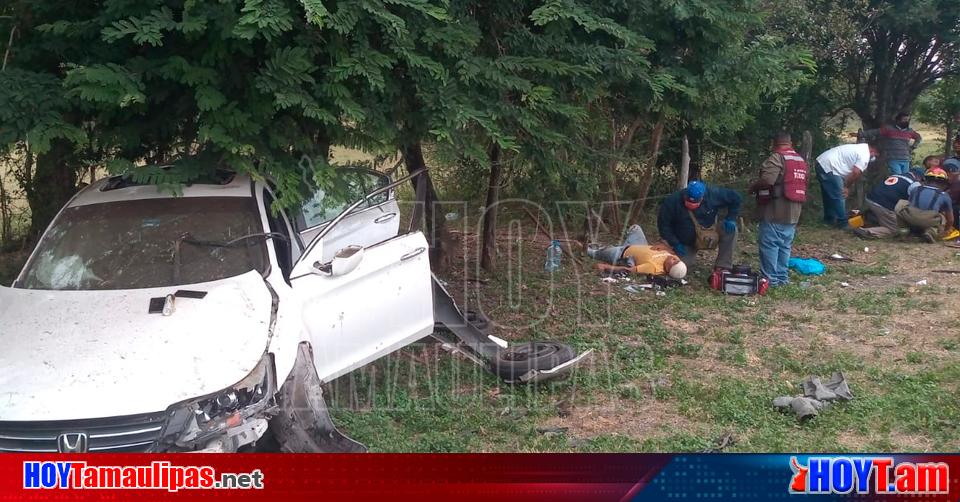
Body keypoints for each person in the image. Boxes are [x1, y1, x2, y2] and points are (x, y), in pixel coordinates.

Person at [747, 132, 806, 287]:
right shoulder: (799, 160)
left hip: (776, 210)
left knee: (770, 244)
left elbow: (767, 180)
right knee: (784, 245)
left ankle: (770, 280)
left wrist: (753, 187)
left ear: (774, 144)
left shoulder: (777, 158)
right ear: (790, 143)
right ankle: (781, 278)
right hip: (794, 212)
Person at [657, 180, 741, 271]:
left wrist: (731, 218)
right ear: (685, 195)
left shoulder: (713, 194)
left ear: (702, 197)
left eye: (694, 203)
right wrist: (675, 243)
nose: (691, 204)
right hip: (686, 241)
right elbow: (664, 225)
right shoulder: (672, 201)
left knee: (731, 230)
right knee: (678, 266)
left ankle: (723, 266)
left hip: (710, 231)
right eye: (688, 201)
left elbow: (736, 198)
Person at [814, 143, 879, 228]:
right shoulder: (865, 155)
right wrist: (846, 187)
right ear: (873, 151)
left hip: (822, 161)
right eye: (875, 155)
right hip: (830, 165)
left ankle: (829, 219)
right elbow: (856, 172)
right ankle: (843, 223)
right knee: (840, 194)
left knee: (829, 194)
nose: (874, 157)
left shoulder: (861, 148)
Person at [587, 224, 687, 278]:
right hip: (640, 245)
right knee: (636, 228)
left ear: (669, 268)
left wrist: (606, 267)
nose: (674, 258)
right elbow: (672, 252)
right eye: (677, 259)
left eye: (674, 261)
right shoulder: (674, 258)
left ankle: (585, 248)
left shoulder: (654, 268)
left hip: (621, 252)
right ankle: (613, 245)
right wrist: (666, 247)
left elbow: (630, 270)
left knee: (594, 253)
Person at [853, 169, 922, 239]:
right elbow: (915, 202)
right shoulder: (914, 184)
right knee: (895, 229)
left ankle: (867, 222)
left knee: (887, 215)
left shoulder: (896, 175)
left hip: (870, 198)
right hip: (883, 205)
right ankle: (867, 232)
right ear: (919, 178)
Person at [895, 167, 954, 243]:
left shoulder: (916, 189)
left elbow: (911, 204)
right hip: (929, 220)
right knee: (943, 216)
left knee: (902, 204)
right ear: (944, 183)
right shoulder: (944, 195)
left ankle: (904, 230)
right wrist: (946, 230)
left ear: (925, 179)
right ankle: (931, 232)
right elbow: (951, 219)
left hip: (910, 218)